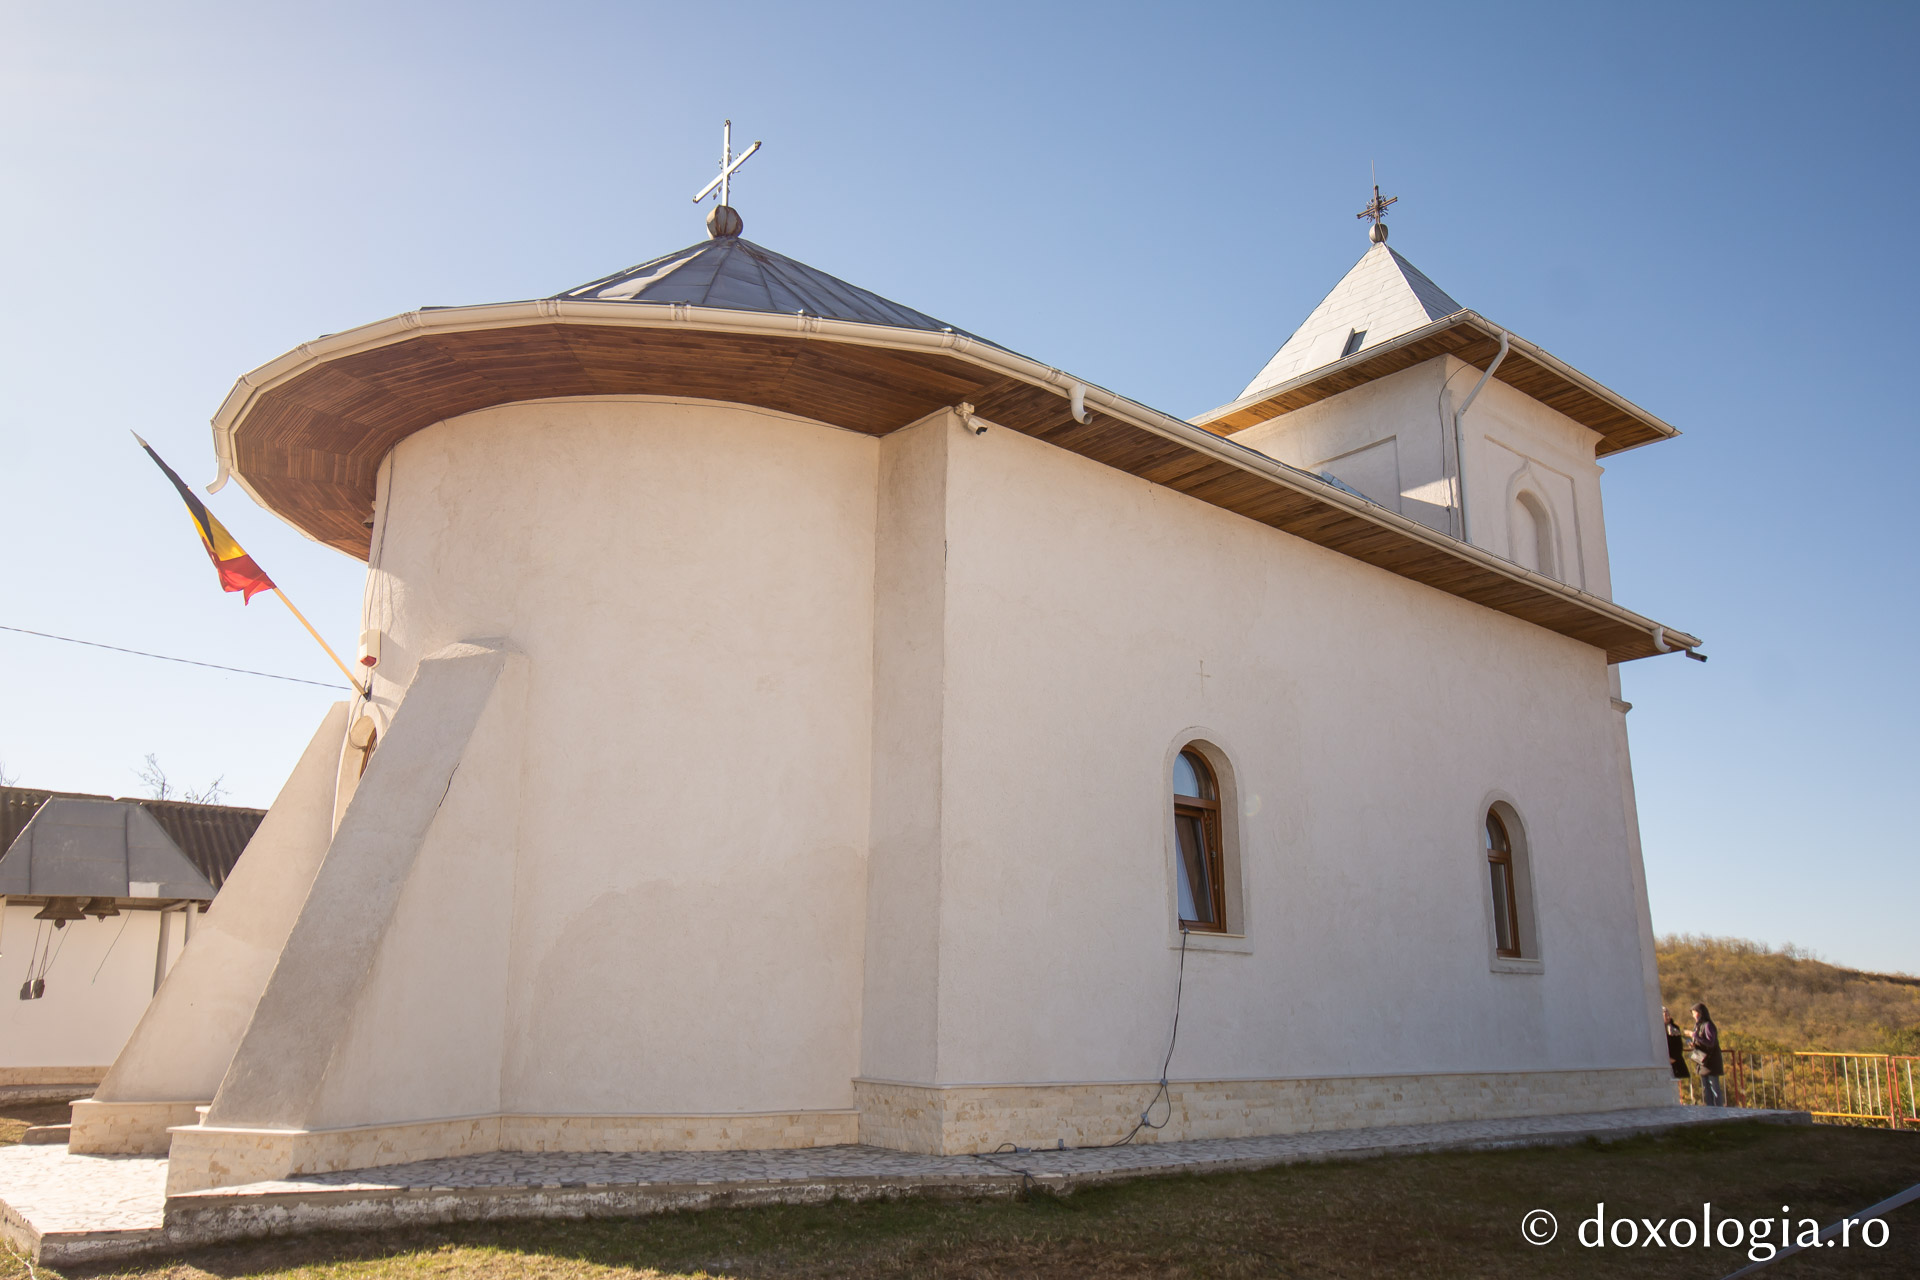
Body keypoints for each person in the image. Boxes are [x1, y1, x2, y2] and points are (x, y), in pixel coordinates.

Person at [1690, 1003, 1725, 1107]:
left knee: (1714, 1087)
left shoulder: (1708, 1025)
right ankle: (1710, 1108)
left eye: (1694, 1013)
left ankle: (1718, 1108)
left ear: (1700, 1013)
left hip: (1711, 1061)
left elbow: (1710, 1042)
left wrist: (1695, 1036)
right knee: (1706, 1087)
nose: (1693, 1016)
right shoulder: (1698, 1026)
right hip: (1703, 1061)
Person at [1663, 1007, 1691, 1093]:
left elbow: (1679, 1046)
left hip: (1673, 1061)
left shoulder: (1674, 1028)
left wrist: (1674, 1058)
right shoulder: (1656, 1029)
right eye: (1665, 1015)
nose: (1667, 1017)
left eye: (1668, 1014)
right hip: (1662, 1060)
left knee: (1674, 1086)